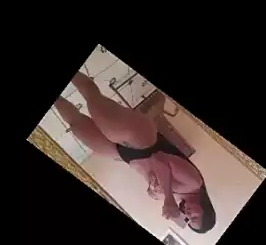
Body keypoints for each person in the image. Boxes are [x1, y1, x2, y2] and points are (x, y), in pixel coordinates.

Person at [54, 71, 217, 233]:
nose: (188, 215)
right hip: (142, 140)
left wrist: (155, 192)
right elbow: (159, 159)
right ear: (206, 210)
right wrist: (168, 198)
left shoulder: (179, 196)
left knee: (77, 126)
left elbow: (152, 190)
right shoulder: (194, 183)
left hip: (127, 156)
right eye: (195, 217)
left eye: (188, 220)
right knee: (93, 98)